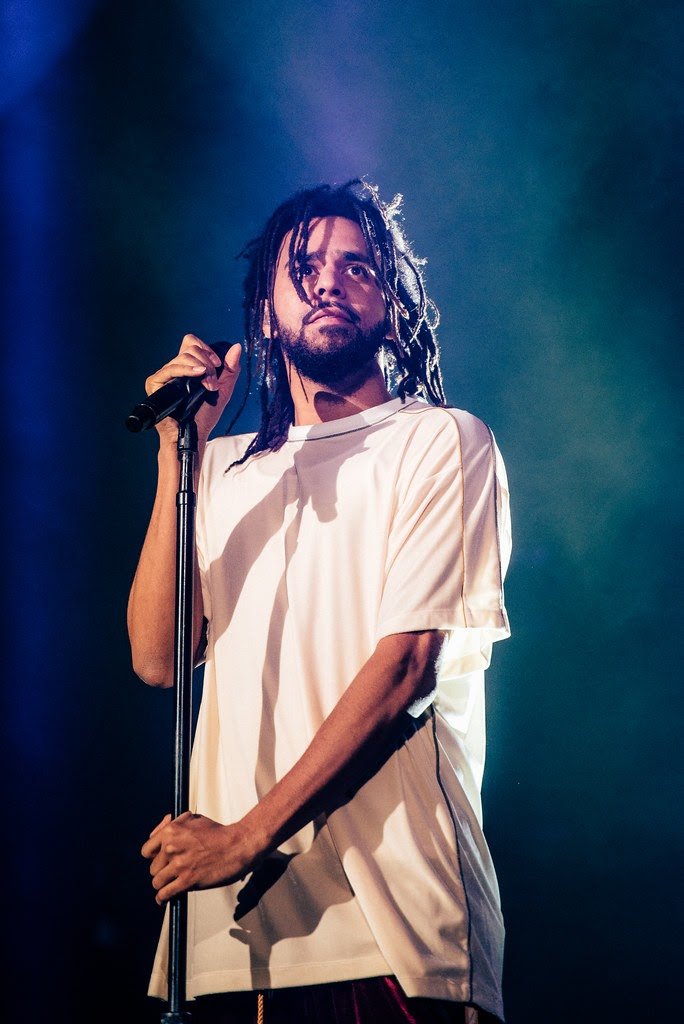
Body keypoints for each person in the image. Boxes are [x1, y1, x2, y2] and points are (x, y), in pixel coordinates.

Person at [128, 179, 512, 1024]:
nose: (329, 281)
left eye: (357, 267)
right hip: (227, 947)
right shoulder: (219, 471)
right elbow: (158, 658)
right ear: (265, 313)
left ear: (394, 311)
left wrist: (244, 837)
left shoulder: (439, 441)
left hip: (392, 932)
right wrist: (176, 454)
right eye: (303, 268)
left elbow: (407, 669)